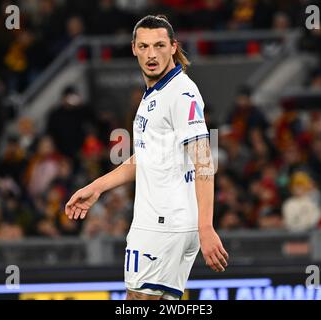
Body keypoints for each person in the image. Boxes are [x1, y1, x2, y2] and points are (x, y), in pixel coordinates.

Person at [65, 15, 228, 300]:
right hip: (169, 222)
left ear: (173, 47)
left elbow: (203, 161)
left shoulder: (181, 93)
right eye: (144, 46)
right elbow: (146, 159)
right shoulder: (155, 93)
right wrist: (96, 187)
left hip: (163, 223)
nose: (151, 54)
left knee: (137, 302)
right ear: (133, 49)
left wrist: (206, 227)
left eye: (159, 45)